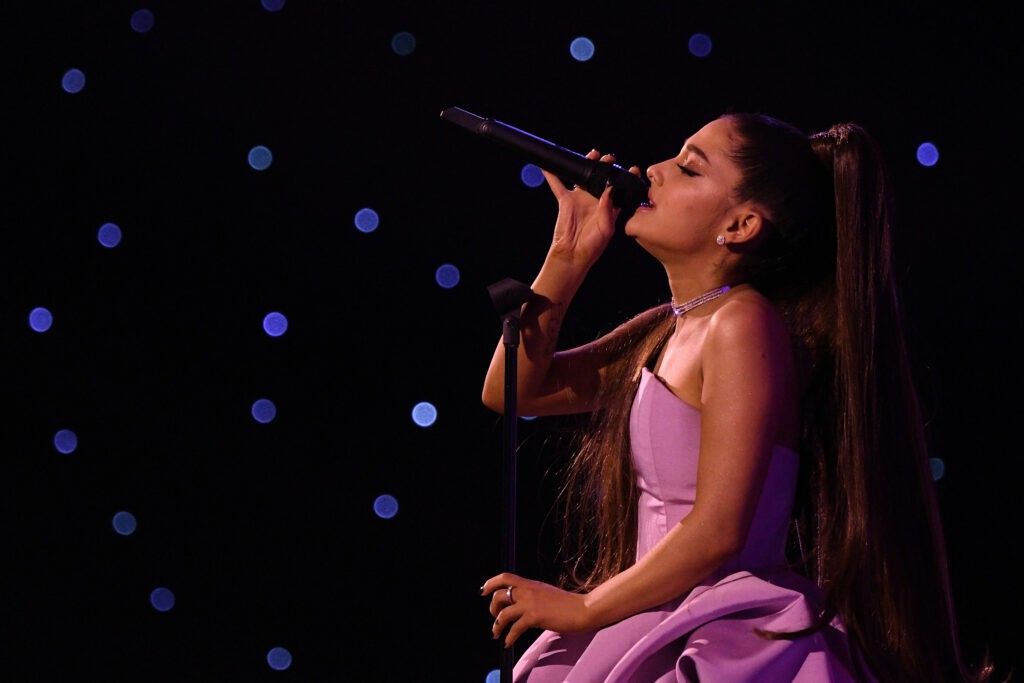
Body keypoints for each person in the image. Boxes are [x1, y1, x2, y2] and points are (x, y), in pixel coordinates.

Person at [478, 112, 999, 681]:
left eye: (687, 168)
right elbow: (515, 390)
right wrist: (569, 253)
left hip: (721, 628)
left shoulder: (743, 324)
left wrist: (585, 608)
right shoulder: (670, 326)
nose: (652, 171)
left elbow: (719, 528)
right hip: (656, 609)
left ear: (743, 223)